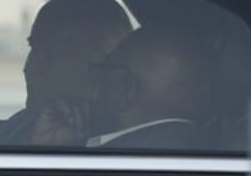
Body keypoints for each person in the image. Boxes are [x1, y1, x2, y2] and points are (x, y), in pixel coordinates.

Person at [0, 0, 132, 145]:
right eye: (33, 49)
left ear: (102, 66)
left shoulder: (126, 148)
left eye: (50, 56)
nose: (28, 69)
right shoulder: (22, 123)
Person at [83, 25, 211, 149]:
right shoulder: (206, 146)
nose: (95, 80)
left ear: (126, 91)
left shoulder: (113, 158)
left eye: (106, 69)